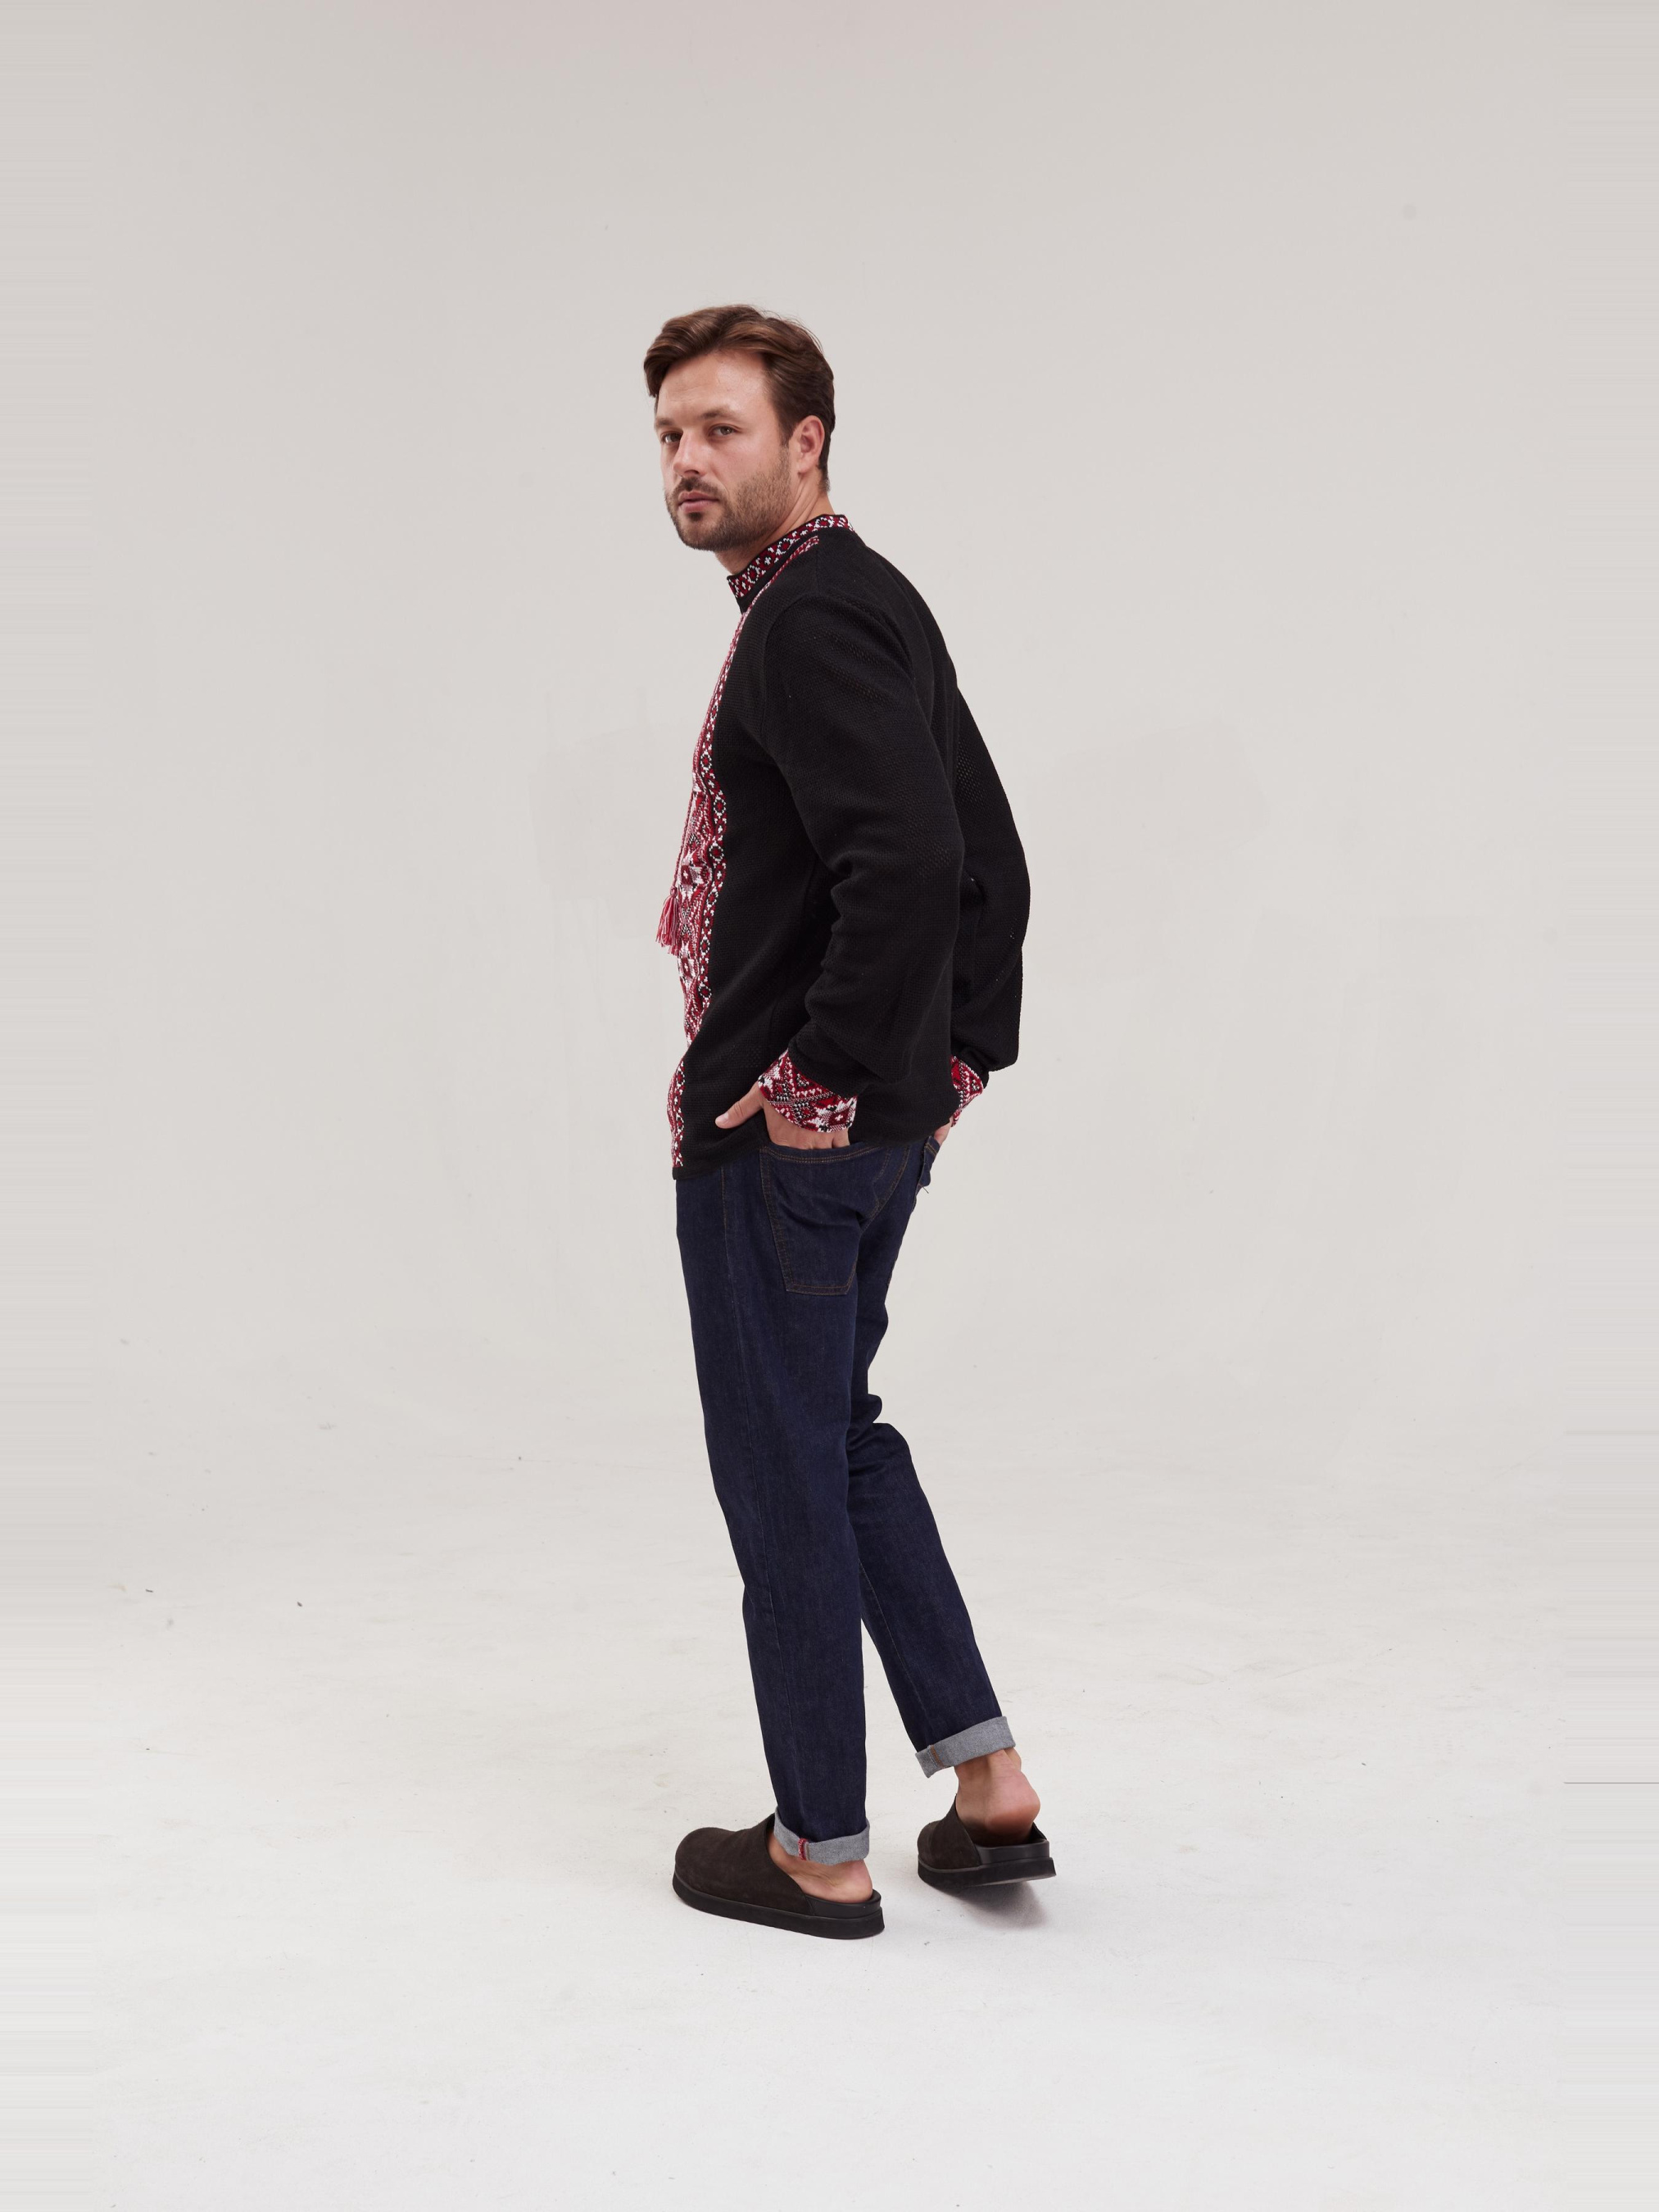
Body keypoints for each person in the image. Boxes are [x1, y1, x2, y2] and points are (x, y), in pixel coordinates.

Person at [647, 305, 1047, 1940]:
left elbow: (921, 865)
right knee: (835, 1435)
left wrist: (822, 1085)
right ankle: (987, 1780)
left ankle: (818, 1846)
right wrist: (942, 1072)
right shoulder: (862, 595)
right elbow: (988, 861)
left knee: (783, 1474)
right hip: (864, 1127)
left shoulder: (811, 620)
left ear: (804, 443)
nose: (686, 461)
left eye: (720, 430)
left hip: (787, 1142)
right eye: (669, 435)